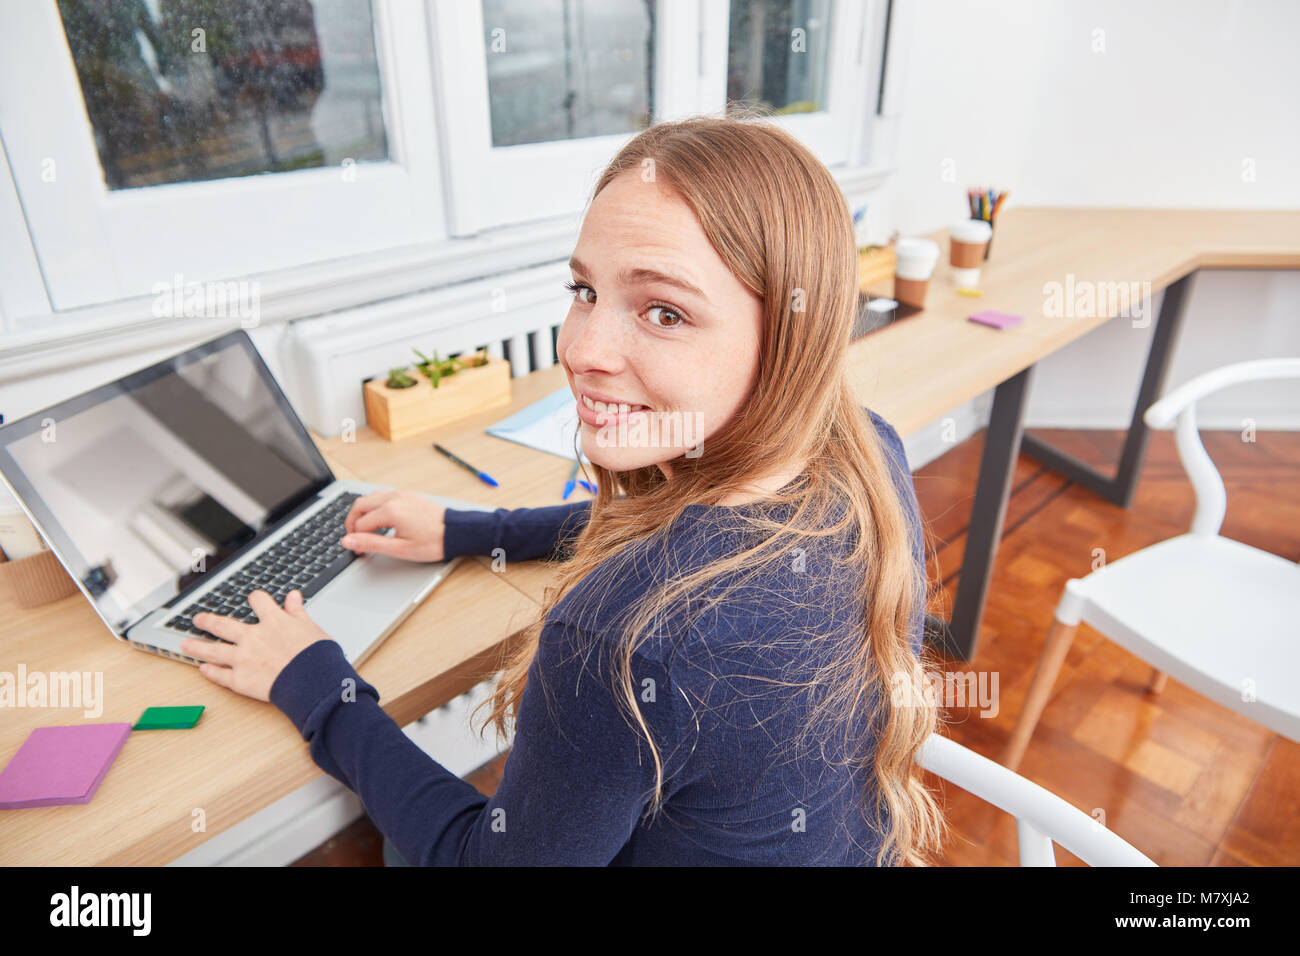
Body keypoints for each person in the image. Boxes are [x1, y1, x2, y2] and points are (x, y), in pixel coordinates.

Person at [181, 115, 947, 865]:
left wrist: (319, 688)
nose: (581, 350)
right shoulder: (867, 451)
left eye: (665, 311)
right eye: (584, 290)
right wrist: (471, 530)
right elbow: (686, 523)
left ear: (788, 337)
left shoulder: (626, 639)